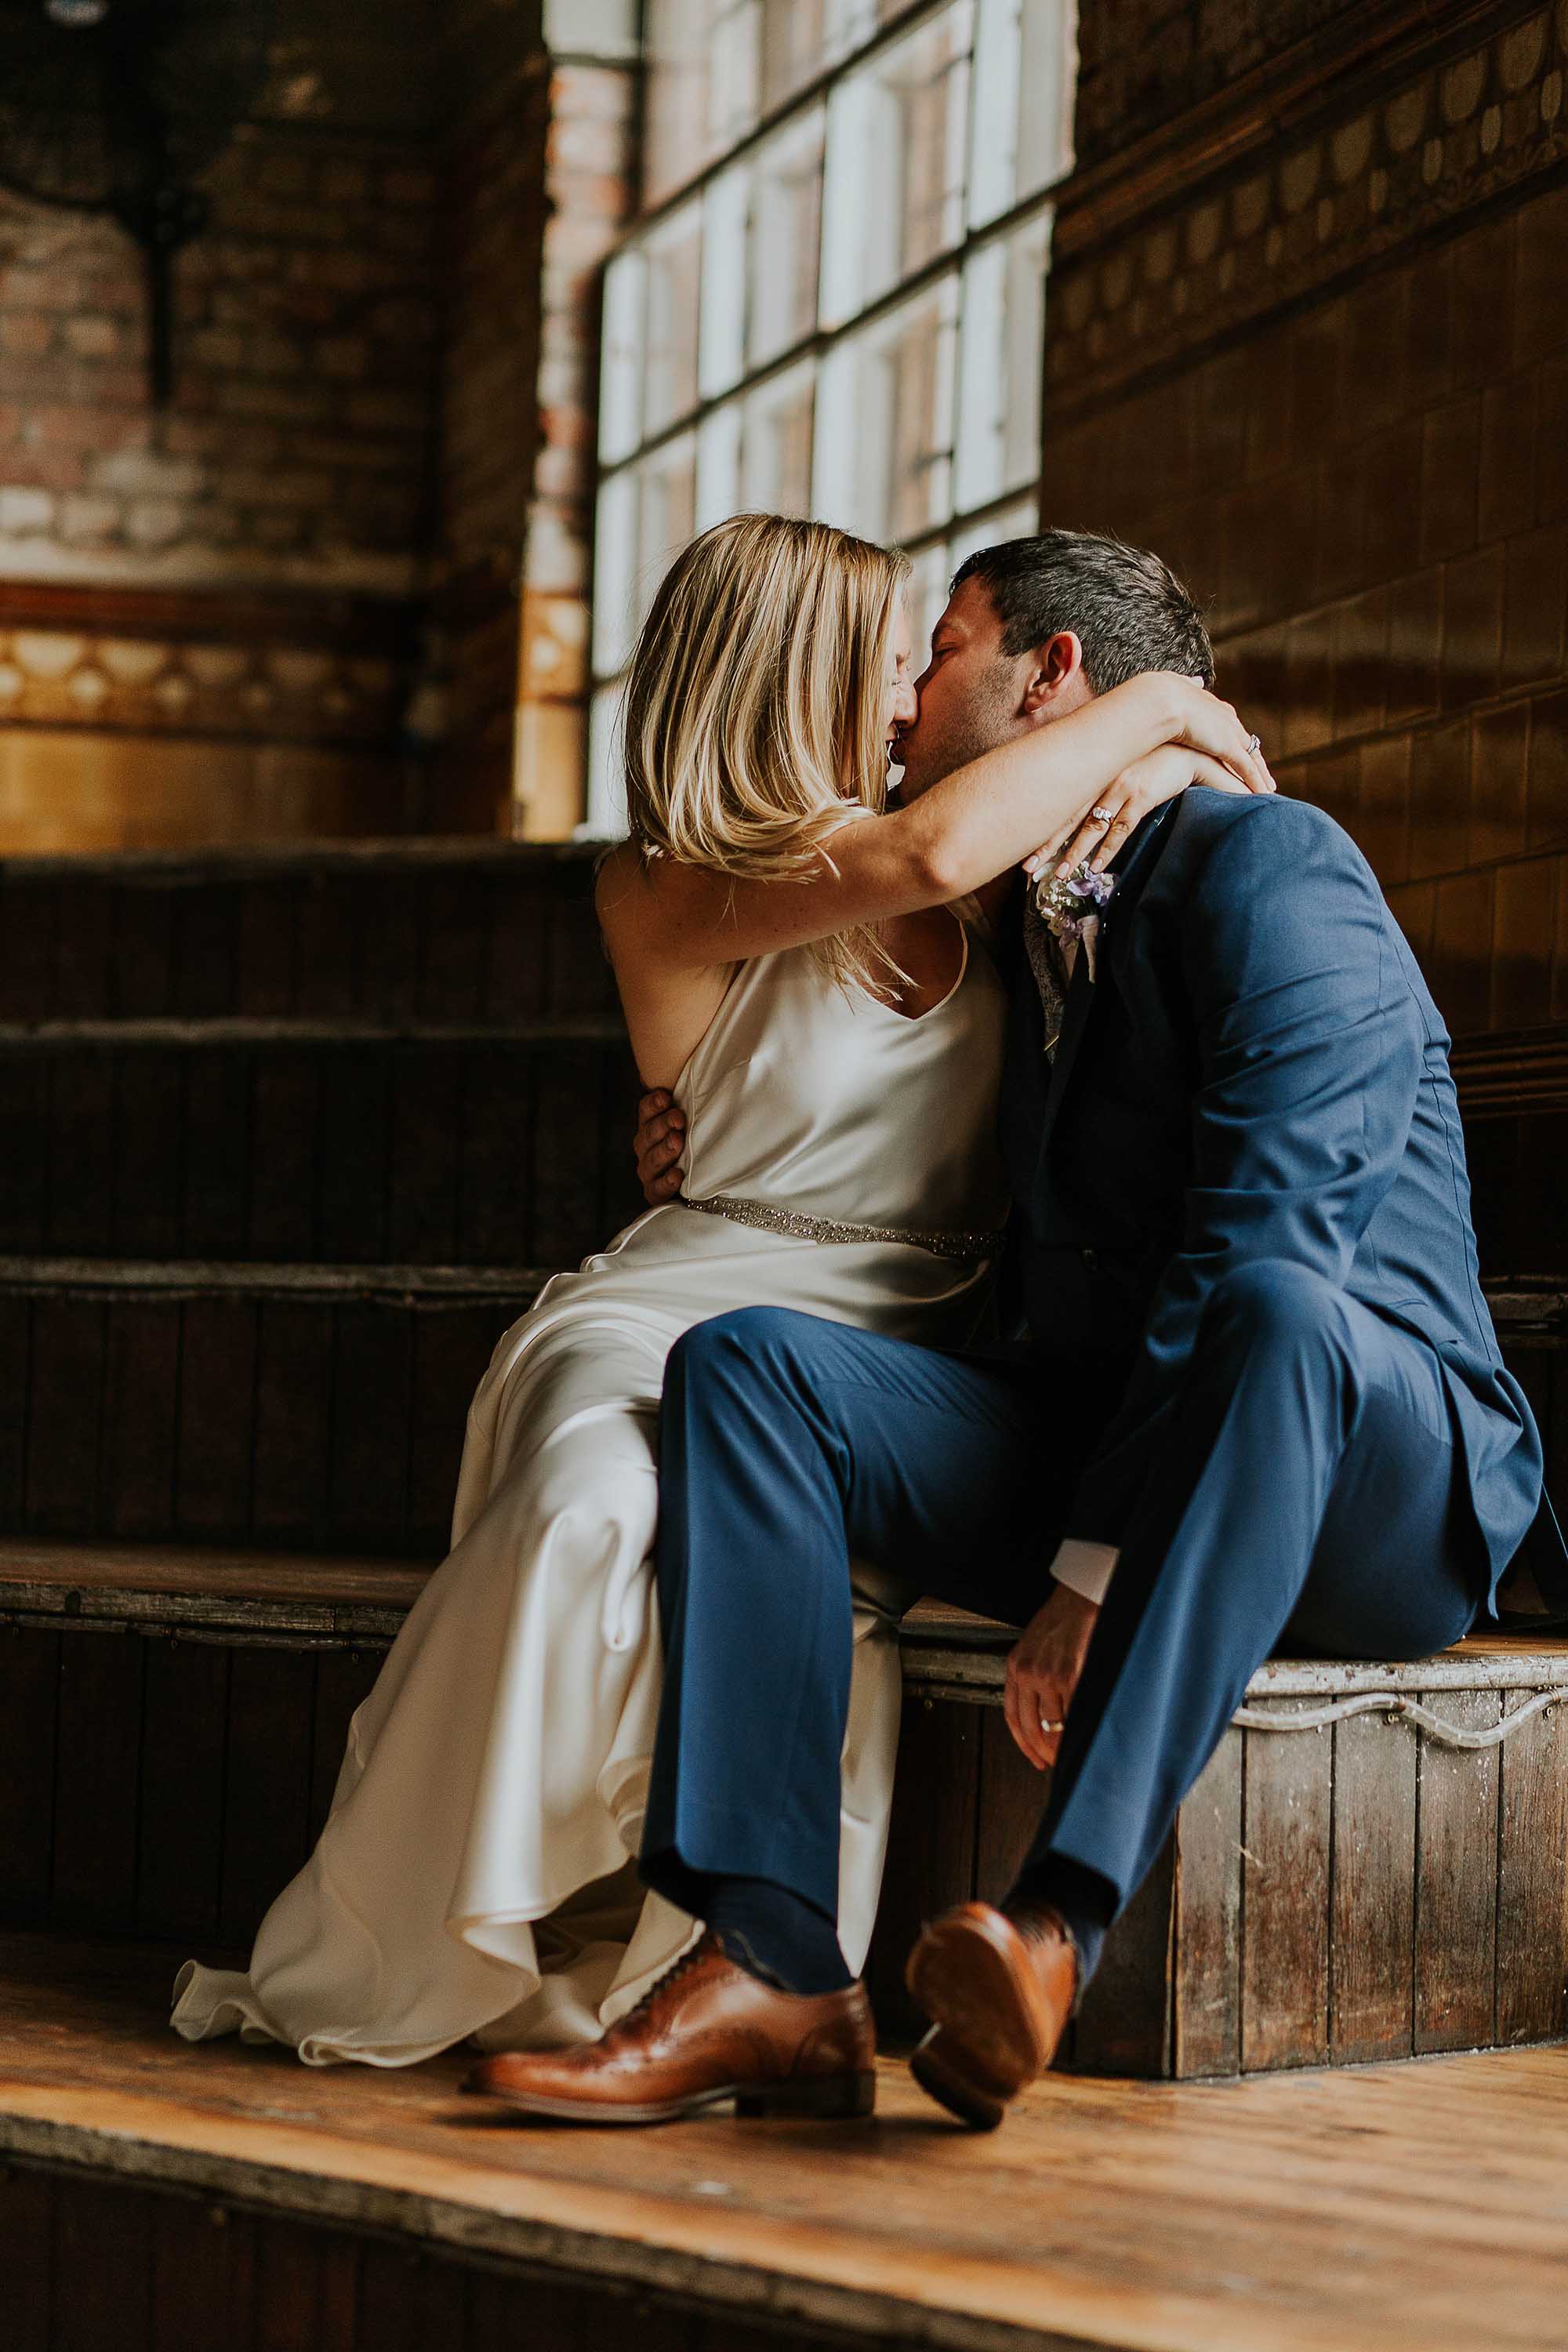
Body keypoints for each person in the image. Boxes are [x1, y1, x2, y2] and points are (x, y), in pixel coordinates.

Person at [466, 525, 1554, 2133]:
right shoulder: (1019, 923)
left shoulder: (1273, 862)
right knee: (752, 1364)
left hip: (1372, 1479)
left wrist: (1088, 1568)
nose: (900, 701)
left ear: (1049, 675)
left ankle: (1055, 1922)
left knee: (1270, 1301)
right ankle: (771, 1959)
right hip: (1118, 1427)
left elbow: (1280, 1228)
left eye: (936, 653)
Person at [169, 513, 1268, 2082]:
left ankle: (730, 1980)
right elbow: (922, 854)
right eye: (890, 662)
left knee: (755, 1531)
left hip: (891, 1352)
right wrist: (1163, 702)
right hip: (681, 1302)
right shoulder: (672, 882)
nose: (908, 698)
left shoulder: (995, 865)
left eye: (919, 663)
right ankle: (494, 1935)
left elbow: (1089, 866)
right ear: (790, 673)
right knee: (592, 1518)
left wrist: (1155, 754)